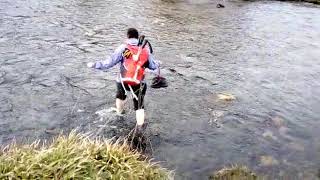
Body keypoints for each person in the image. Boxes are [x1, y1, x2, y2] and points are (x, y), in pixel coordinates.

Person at [87, 28, 159, 130]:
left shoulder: (123, 48)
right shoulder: (145, 49)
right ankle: (140, 129)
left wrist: (95, 65)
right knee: (139, 105)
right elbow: (153, 66)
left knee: (120, 96)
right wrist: (158, 63)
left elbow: (109, 63)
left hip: (123, 80)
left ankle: (119, 114)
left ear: (128, 36)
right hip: (139, 82)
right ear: (137, 36)